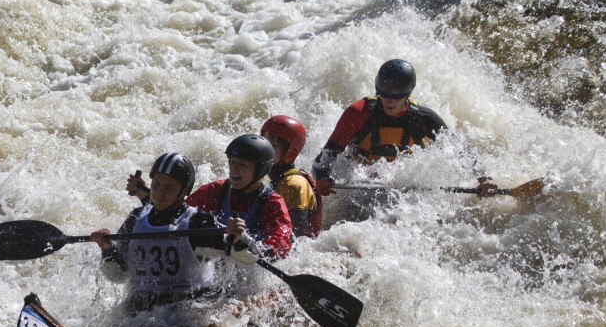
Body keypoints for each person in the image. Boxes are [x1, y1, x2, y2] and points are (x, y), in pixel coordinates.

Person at [311, 59, 497, 220]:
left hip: (398, 187)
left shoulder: (424, 118)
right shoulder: (358, 113)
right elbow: (326, 155)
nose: (389, 101)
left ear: (408, 94)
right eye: (384, 93)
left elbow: (459, 150)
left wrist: (483, 178)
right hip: (358, 185)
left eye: (396, 95)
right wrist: (322, 177)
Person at [92, 152, 252, 314]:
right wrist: (106, 248)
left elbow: (243, 261)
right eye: (156, 184)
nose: (160, 192)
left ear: (184, 191)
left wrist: (238, 239)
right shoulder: (135, 218)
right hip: (141, 307)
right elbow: (117, 276)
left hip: (189, 307)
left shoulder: (197, 222)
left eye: (169, 187)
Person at [183, 134, 294, 262]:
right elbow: (181, 214)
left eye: (243, 165)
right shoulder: (214, 190)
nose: (234, 169)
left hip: (248, 272)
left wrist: (243, 240)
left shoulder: (273, 203)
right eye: (232, 162)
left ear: (260, 170)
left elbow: (280, 247)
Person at [260, 115, 322, 238]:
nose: (264, 149)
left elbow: (296, 234)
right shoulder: (262, 173)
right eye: (263, 142)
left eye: (273, 146)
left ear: (290, 152)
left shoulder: (294, 184)